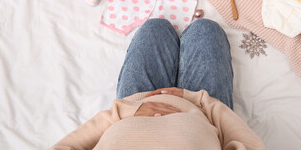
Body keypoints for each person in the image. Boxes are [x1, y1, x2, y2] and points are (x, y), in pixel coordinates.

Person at [49, 18, 265, 150]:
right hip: (206, 110)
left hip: (135, 104)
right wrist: (199, 101)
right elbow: (250, 145)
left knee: (155, 28)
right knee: (205, 30)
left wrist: (123, 112)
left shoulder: (127, 110)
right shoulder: (204, 104)